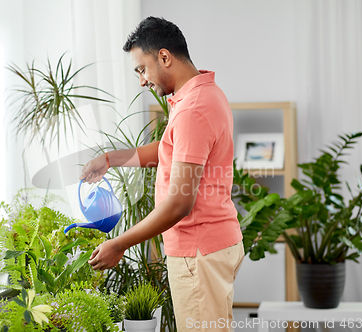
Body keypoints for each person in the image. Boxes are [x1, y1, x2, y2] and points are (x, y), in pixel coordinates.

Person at [80, 16, 244, 332]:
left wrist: (119, 244)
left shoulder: (194, 108)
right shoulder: (202, 94)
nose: (142, 81)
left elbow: (179, 204)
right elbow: (172, 147)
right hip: (211, 244)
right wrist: (111, 159)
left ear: (164, 57)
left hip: (198, 251)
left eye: (142, 69)